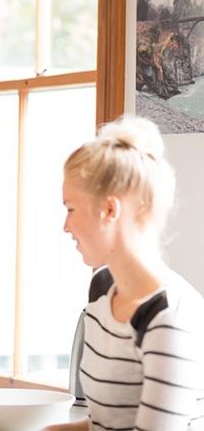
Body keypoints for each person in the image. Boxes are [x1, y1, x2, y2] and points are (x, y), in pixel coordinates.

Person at [50, 116, 204, 430]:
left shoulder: (169, 316)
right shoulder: (102, 287)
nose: (65, 226)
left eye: (70, 208)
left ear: (110, 210)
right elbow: (103, 423)